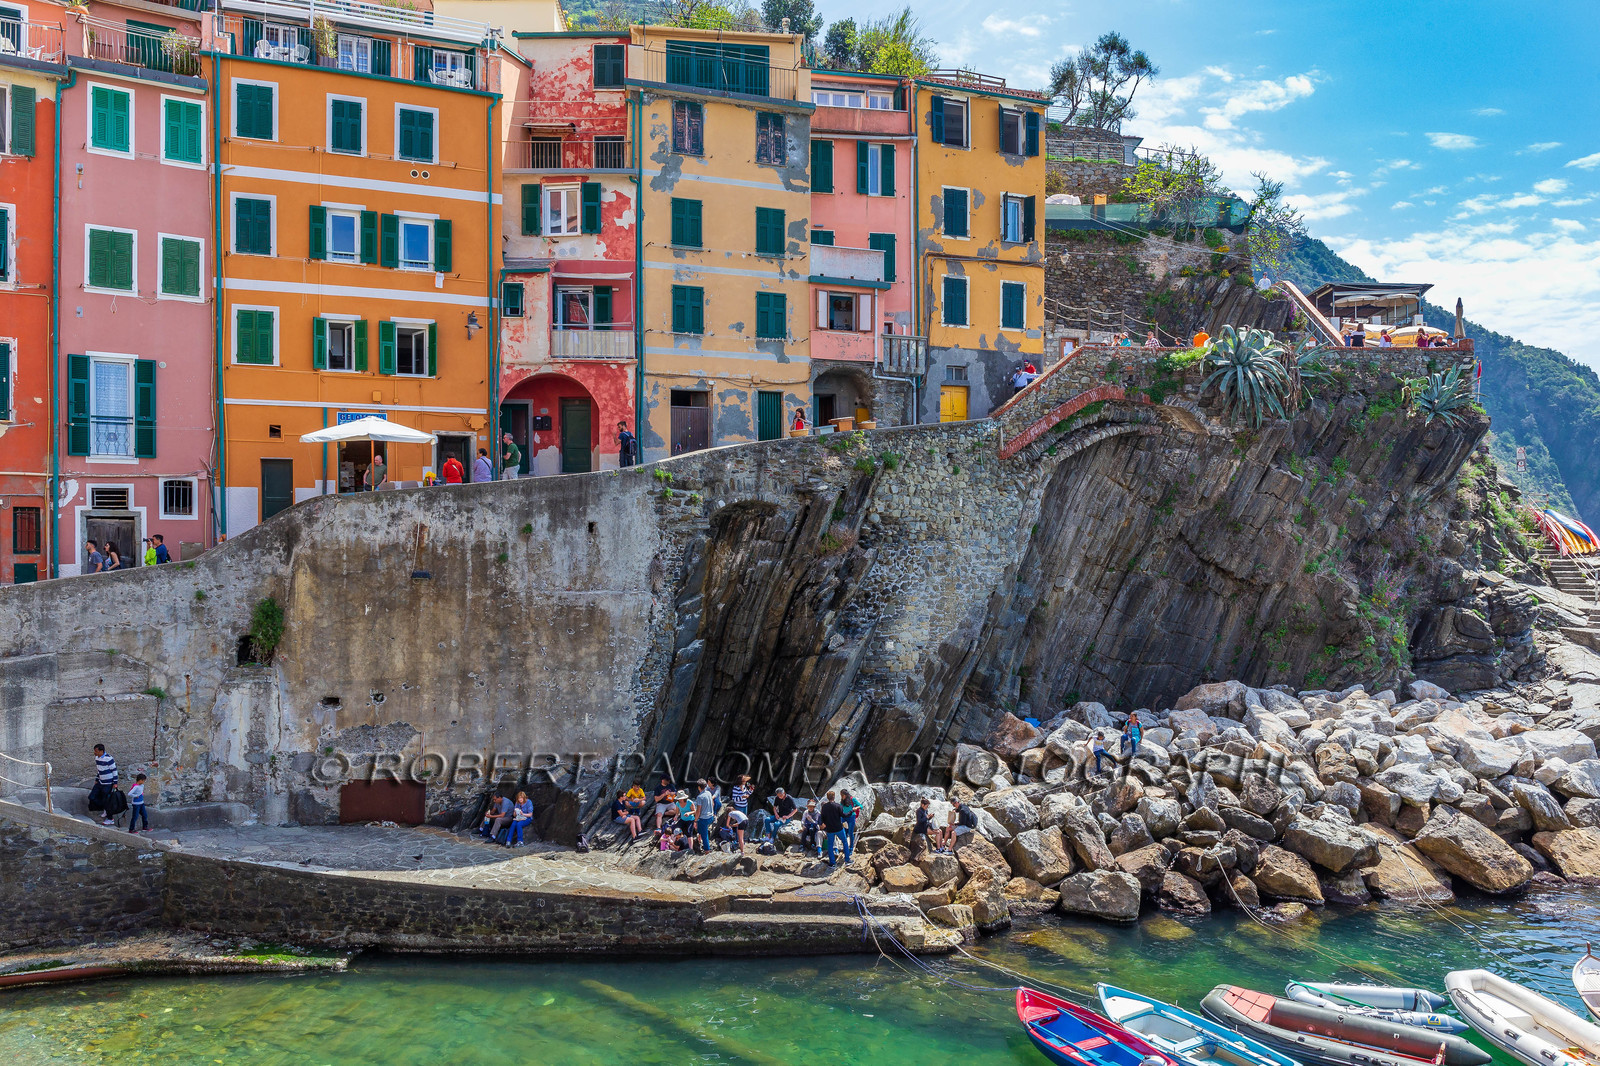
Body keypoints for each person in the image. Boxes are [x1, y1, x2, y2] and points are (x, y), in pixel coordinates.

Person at [91, 744, 118, 826]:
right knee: (94, 796)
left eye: (96, 751)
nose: (95, 752)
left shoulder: (109, 758)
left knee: (107, 801)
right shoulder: (97, 758)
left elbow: (114, 771)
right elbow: (99, 770)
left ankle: (110, 819)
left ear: (101, 751)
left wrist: (115, 783)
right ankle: (105, 810)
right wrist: (97, 779)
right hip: (101, 782)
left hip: (108, 783)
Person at [819, 790, 848, 867]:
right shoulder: (838, 806)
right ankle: (847, 860)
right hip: (839, 828)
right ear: (834, 797)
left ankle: (832, 863)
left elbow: (822, 818)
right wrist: (851, 811)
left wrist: (824, 824)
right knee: (844, 842)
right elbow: (843, 815)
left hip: (830, 829)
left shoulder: (824, 807)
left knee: (830, 845)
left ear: (827, 798)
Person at [692, 779, 716, 853]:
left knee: (704, 835)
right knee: (701, 828)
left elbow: (698, 810)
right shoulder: (709, 793)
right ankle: (699, 837)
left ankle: (707, 850)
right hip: (711, 817)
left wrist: (695, 821)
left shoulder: (700, 797)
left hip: (704, 819)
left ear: (699, 787)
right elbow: (713, 804)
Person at [840, 788, 863, 855]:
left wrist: (856, 808)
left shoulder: (852, 799)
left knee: (850, 833)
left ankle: (851, 848)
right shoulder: (842, 801)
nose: (842, 796)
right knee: (843, 832)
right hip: (844, 817)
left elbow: (861, 806)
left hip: (851, 817)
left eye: (842, 795)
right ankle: (845, 846)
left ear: (845, 794)